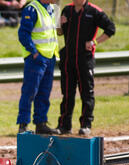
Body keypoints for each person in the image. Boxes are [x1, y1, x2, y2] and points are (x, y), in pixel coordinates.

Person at [56, 0, 115, 136]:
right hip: (68, 59)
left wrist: (94, 42)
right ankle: (64, 125)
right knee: (67, 93)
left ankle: (86, 125)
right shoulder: (67, 10)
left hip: (85, 59)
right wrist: (59, 23)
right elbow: (59, 32)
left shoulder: (94, 11)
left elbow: (111, 28)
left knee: (87, 93)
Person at [16, 0, 60, 135]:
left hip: (49, 57)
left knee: (44, 93)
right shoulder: (32, 9)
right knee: (30, 91)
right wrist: (34, 53)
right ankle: (23, 124)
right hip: (36, 58)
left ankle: (41, 124)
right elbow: (23, 34)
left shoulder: (53, 8)